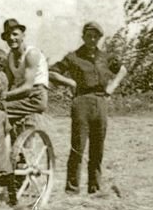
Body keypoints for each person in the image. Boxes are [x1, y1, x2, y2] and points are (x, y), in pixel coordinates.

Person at [49, 21, 127, 194]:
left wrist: (112, 88)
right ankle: (72, 188)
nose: (92, 39)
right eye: (89, 35)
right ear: (83, 36)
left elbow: (122, 70)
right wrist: (69, 82)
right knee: (78, 146)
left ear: (99, 38)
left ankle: (95, 187)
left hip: (101, 102)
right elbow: (52, 72)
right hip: (81, 102)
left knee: (97, 148)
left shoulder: (106, 58)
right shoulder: (73, 57)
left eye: (96, 36)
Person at [0, 18, 50, 122]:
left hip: (35, 97)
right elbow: (7, 84)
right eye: (8, 35)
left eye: (15, 34)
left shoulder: (31, 54)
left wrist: (3, 95)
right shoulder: (10, 57)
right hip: (21, 96)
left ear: (23, 35)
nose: (11, 38)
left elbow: (27, 87)